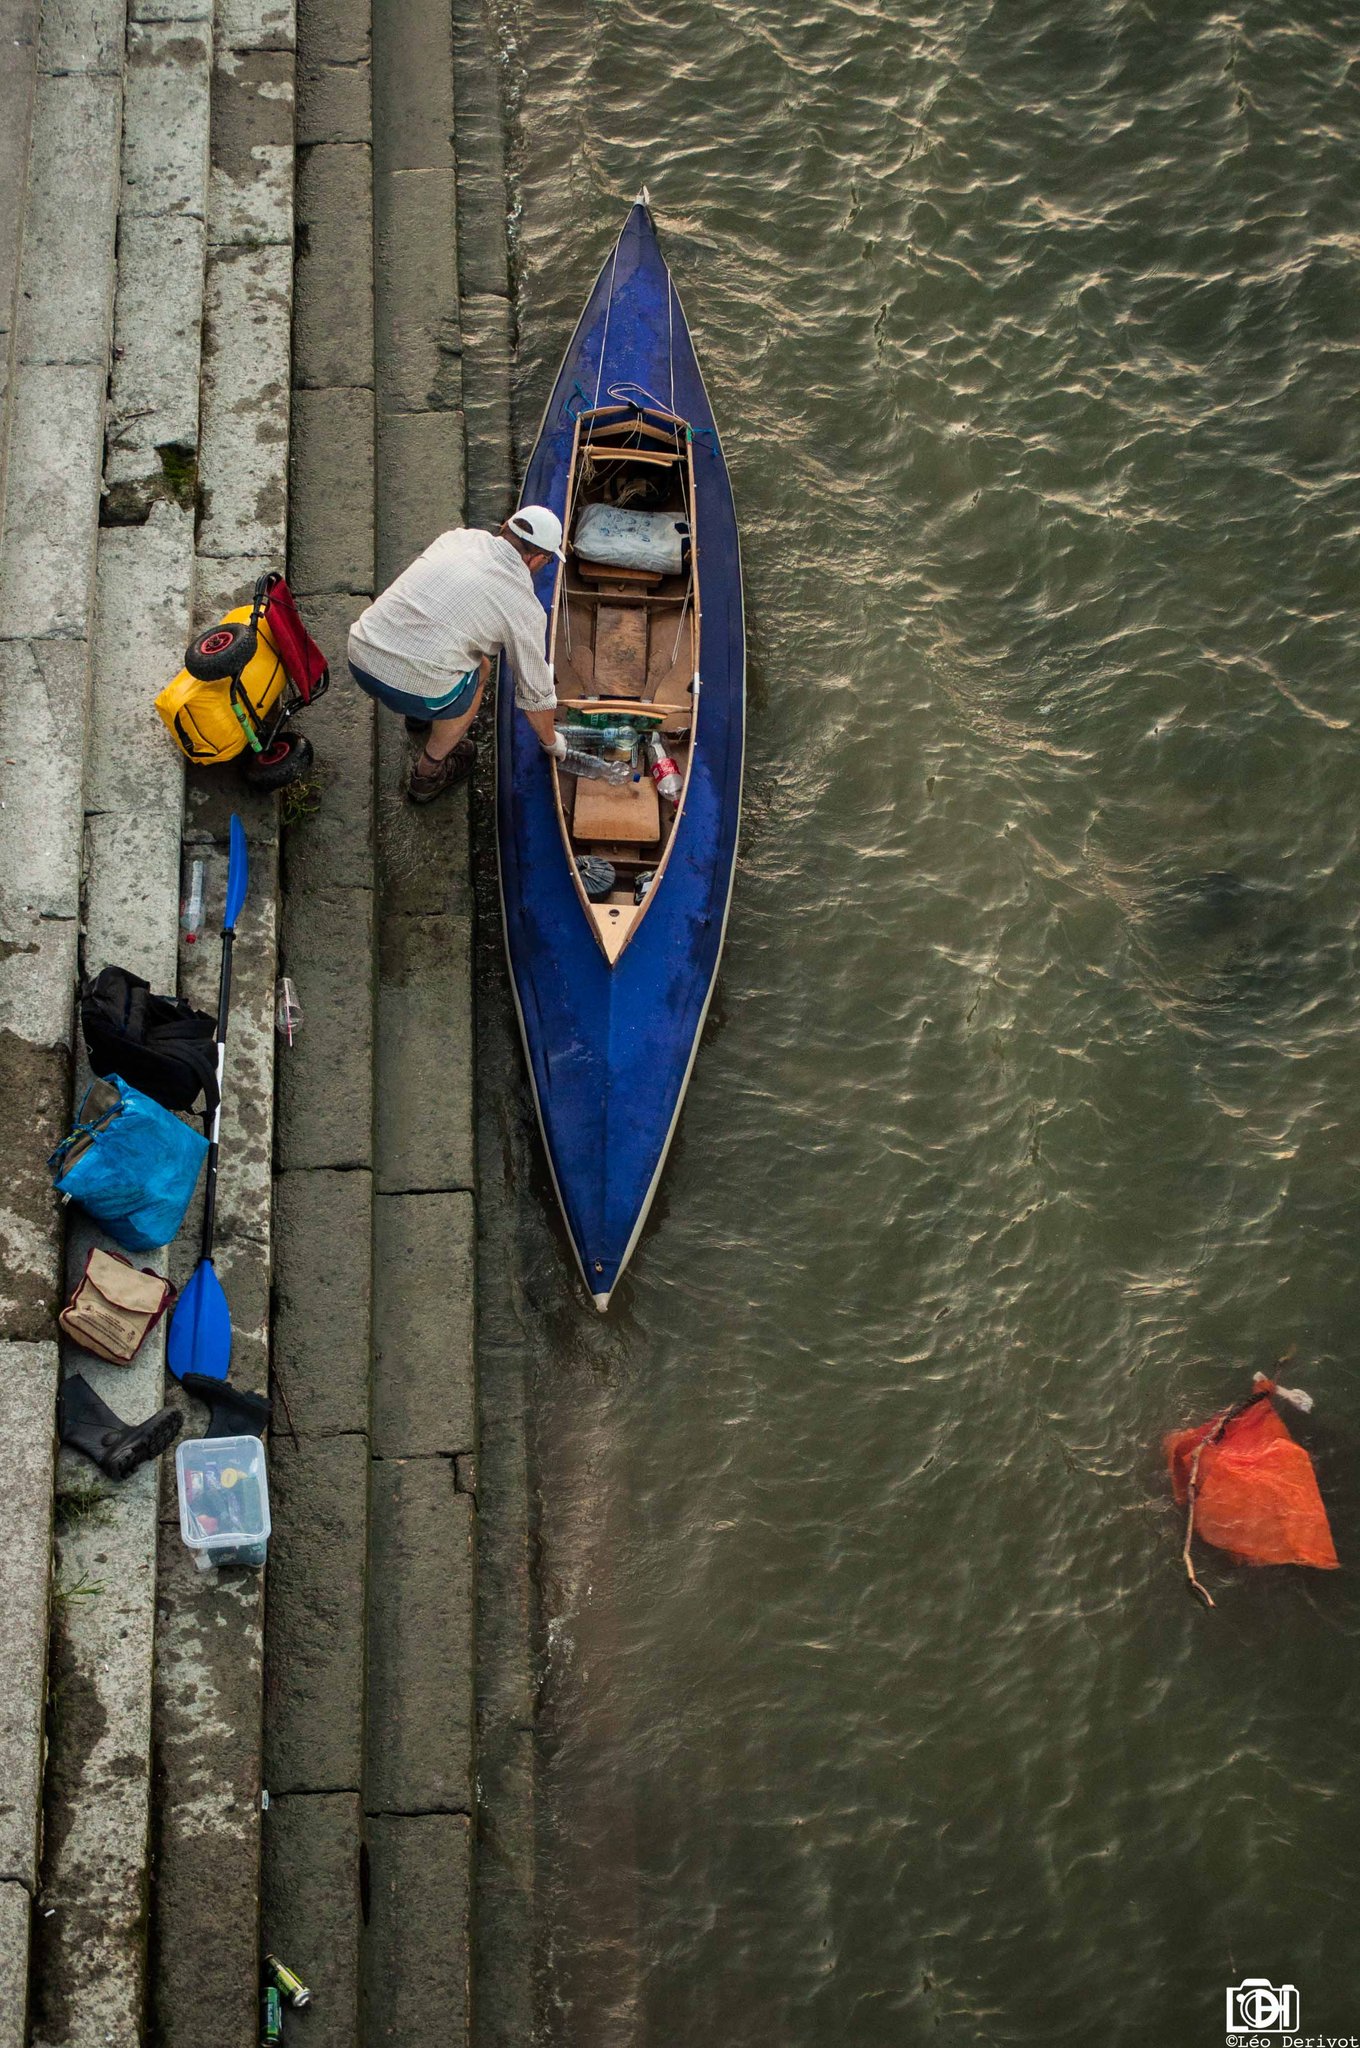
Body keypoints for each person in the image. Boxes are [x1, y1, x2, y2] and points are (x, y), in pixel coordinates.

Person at [347, 507, 569, 802]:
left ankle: (418, 719)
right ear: (538, 559)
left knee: (443, 642)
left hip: (361, 650)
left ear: (505, 526)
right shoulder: (524, 606)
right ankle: (428, 774)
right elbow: (535, 696)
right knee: (481, 671)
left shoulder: (458, 538)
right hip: (410, 686)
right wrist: (551, 742)